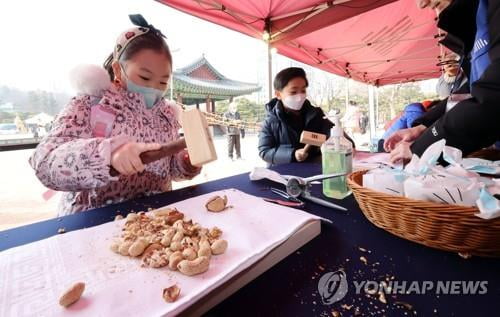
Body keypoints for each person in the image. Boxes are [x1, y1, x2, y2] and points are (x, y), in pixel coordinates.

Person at [29, 14, 201, 215]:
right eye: (145, 76)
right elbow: (45, 162)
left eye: (163, 82)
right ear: (118, 70)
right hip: (92, 222)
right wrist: (106, 155)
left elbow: (170, 169)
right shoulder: (91, 103)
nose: (154, 87)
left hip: (154, 221)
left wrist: (186, 162)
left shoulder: (167, 115)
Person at [386, 0, 500, 164]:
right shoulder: (477, 22)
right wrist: (423, 127)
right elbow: (470, 91)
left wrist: (421, 148)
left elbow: (492, 97)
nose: (422, 4)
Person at [258, 67, 354, 165]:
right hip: (282, 173)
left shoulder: (315, 114)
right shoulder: (270, 121)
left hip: (313, 169)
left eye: (303, 91)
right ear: (278, 94)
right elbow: (264, 151)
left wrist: (346, 144)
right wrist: (292, 154)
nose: (299, 96)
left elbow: (333, 132)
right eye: (293, 92)